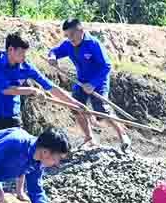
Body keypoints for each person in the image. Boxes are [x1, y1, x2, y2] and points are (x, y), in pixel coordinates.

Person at [0, 32, 80, 202]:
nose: (24, 56)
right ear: (11, 50)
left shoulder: (26, 67)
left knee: (25, 151)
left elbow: (50, 87)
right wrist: (32, 91)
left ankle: (19, 191)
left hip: (10, 115)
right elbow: (5, 89)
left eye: (25, 53)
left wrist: (76, 104)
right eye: (21, 52)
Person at [48, 18, 130, 150]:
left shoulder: (93, 44)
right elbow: (54, 51)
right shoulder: (68, 45)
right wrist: (52, 57)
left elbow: (106, 66)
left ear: (81, 31)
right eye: (67, 36)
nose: (70, 39)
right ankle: (89, 138)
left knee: (102, 110)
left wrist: (93, 84)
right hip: (81, 81)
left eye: (72, 35)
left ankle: (123, 135)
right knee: (76, 107)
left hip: (98, 81)